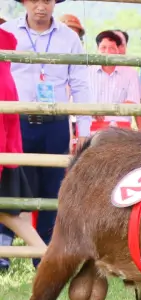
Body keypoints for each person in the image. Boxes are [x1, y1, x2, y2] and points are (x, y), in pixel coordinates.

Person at [1, 0, 91, 263]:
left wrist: (82, 128)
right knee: (15, 183)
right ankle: (5, 251)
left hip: (55, 120)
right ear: (24, 3)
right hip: (17, 120)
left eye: (47, 0)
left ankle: (45, 255)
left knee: (53, 188)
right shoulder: (8, 32)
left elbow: (79, 82)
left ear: (55, 3)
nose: (41, 6)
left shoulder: (69, 38)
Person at [0, 24, 46, 272]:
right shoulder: (7, 58)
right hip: (8, 148)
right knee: (15, 214)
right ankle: (50, 259)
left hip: (4, 149)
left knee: (11, 214)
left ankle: (50, 259)